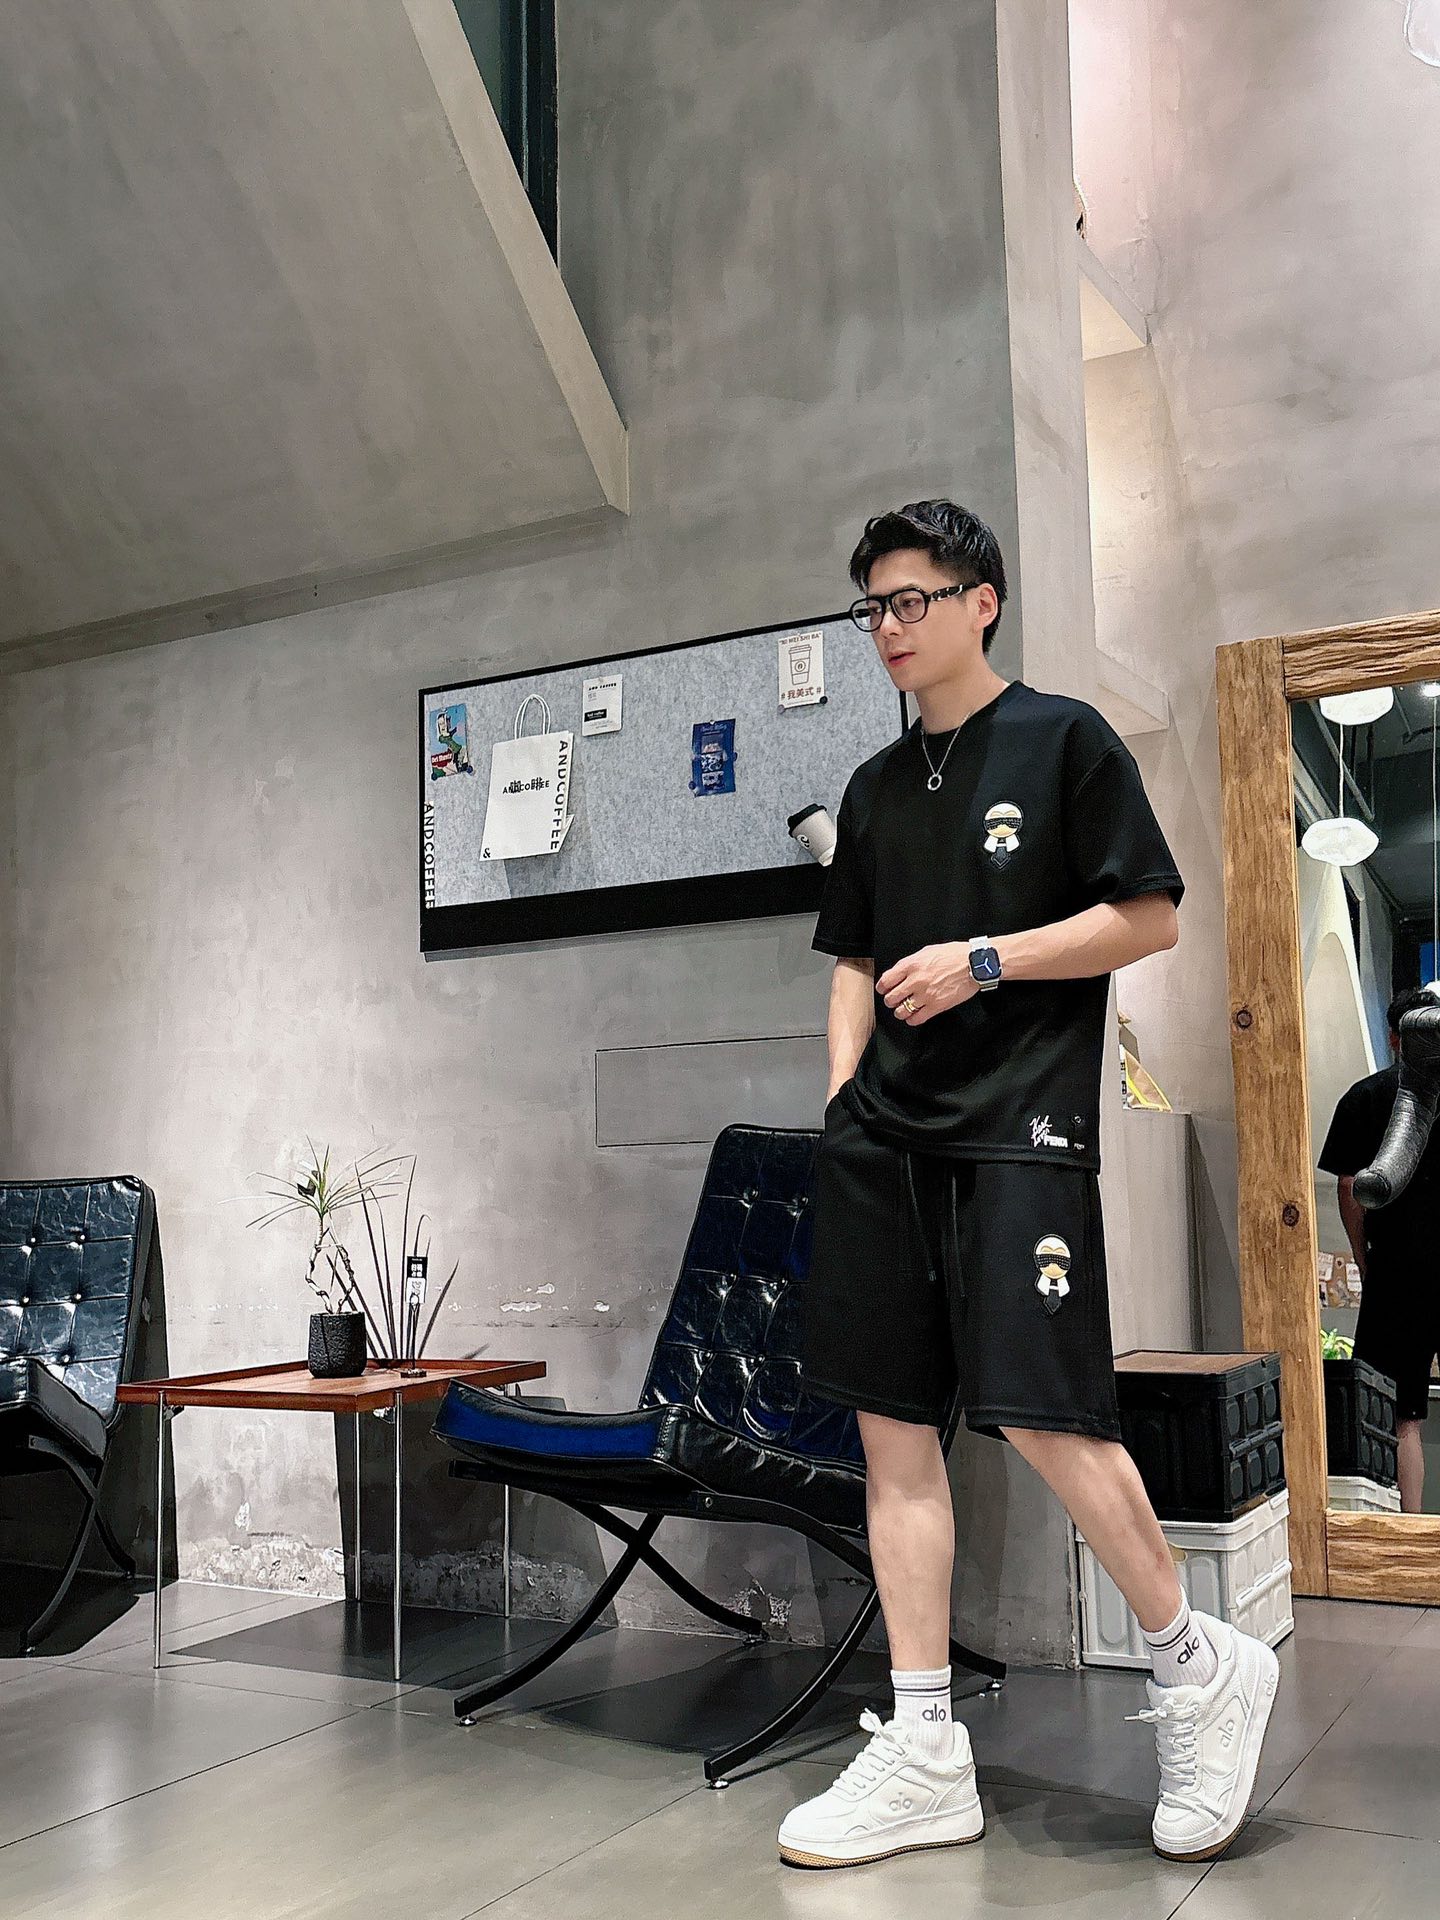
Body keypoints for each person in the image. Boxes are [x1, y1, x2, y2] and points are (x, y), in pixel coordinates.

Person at [778, 500, 1280, 1872]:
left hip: (1021, 1134)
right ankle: (926, 1747)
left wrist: (986, 960)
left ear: (980, 600)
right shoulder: (875, 789)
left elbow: (1152, 915)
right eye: (871, 607)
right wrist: (843, 1102)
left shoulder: (1065, 741)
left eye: (910, 600)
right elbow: (849, 959)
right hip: (884, 1143)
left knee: (1049, 1418)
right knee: (893, 1434)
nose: (888, 628)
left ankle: (1197, 1667)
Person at [1319, 985, 1440, 1513]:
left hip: (1399, 1271)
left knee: (1400, 1414)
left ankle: (1408, 1531)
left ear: (1393, 1038)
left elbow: (1350, 1187)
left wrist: (1365, 1258)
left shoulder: (1365, 1096)